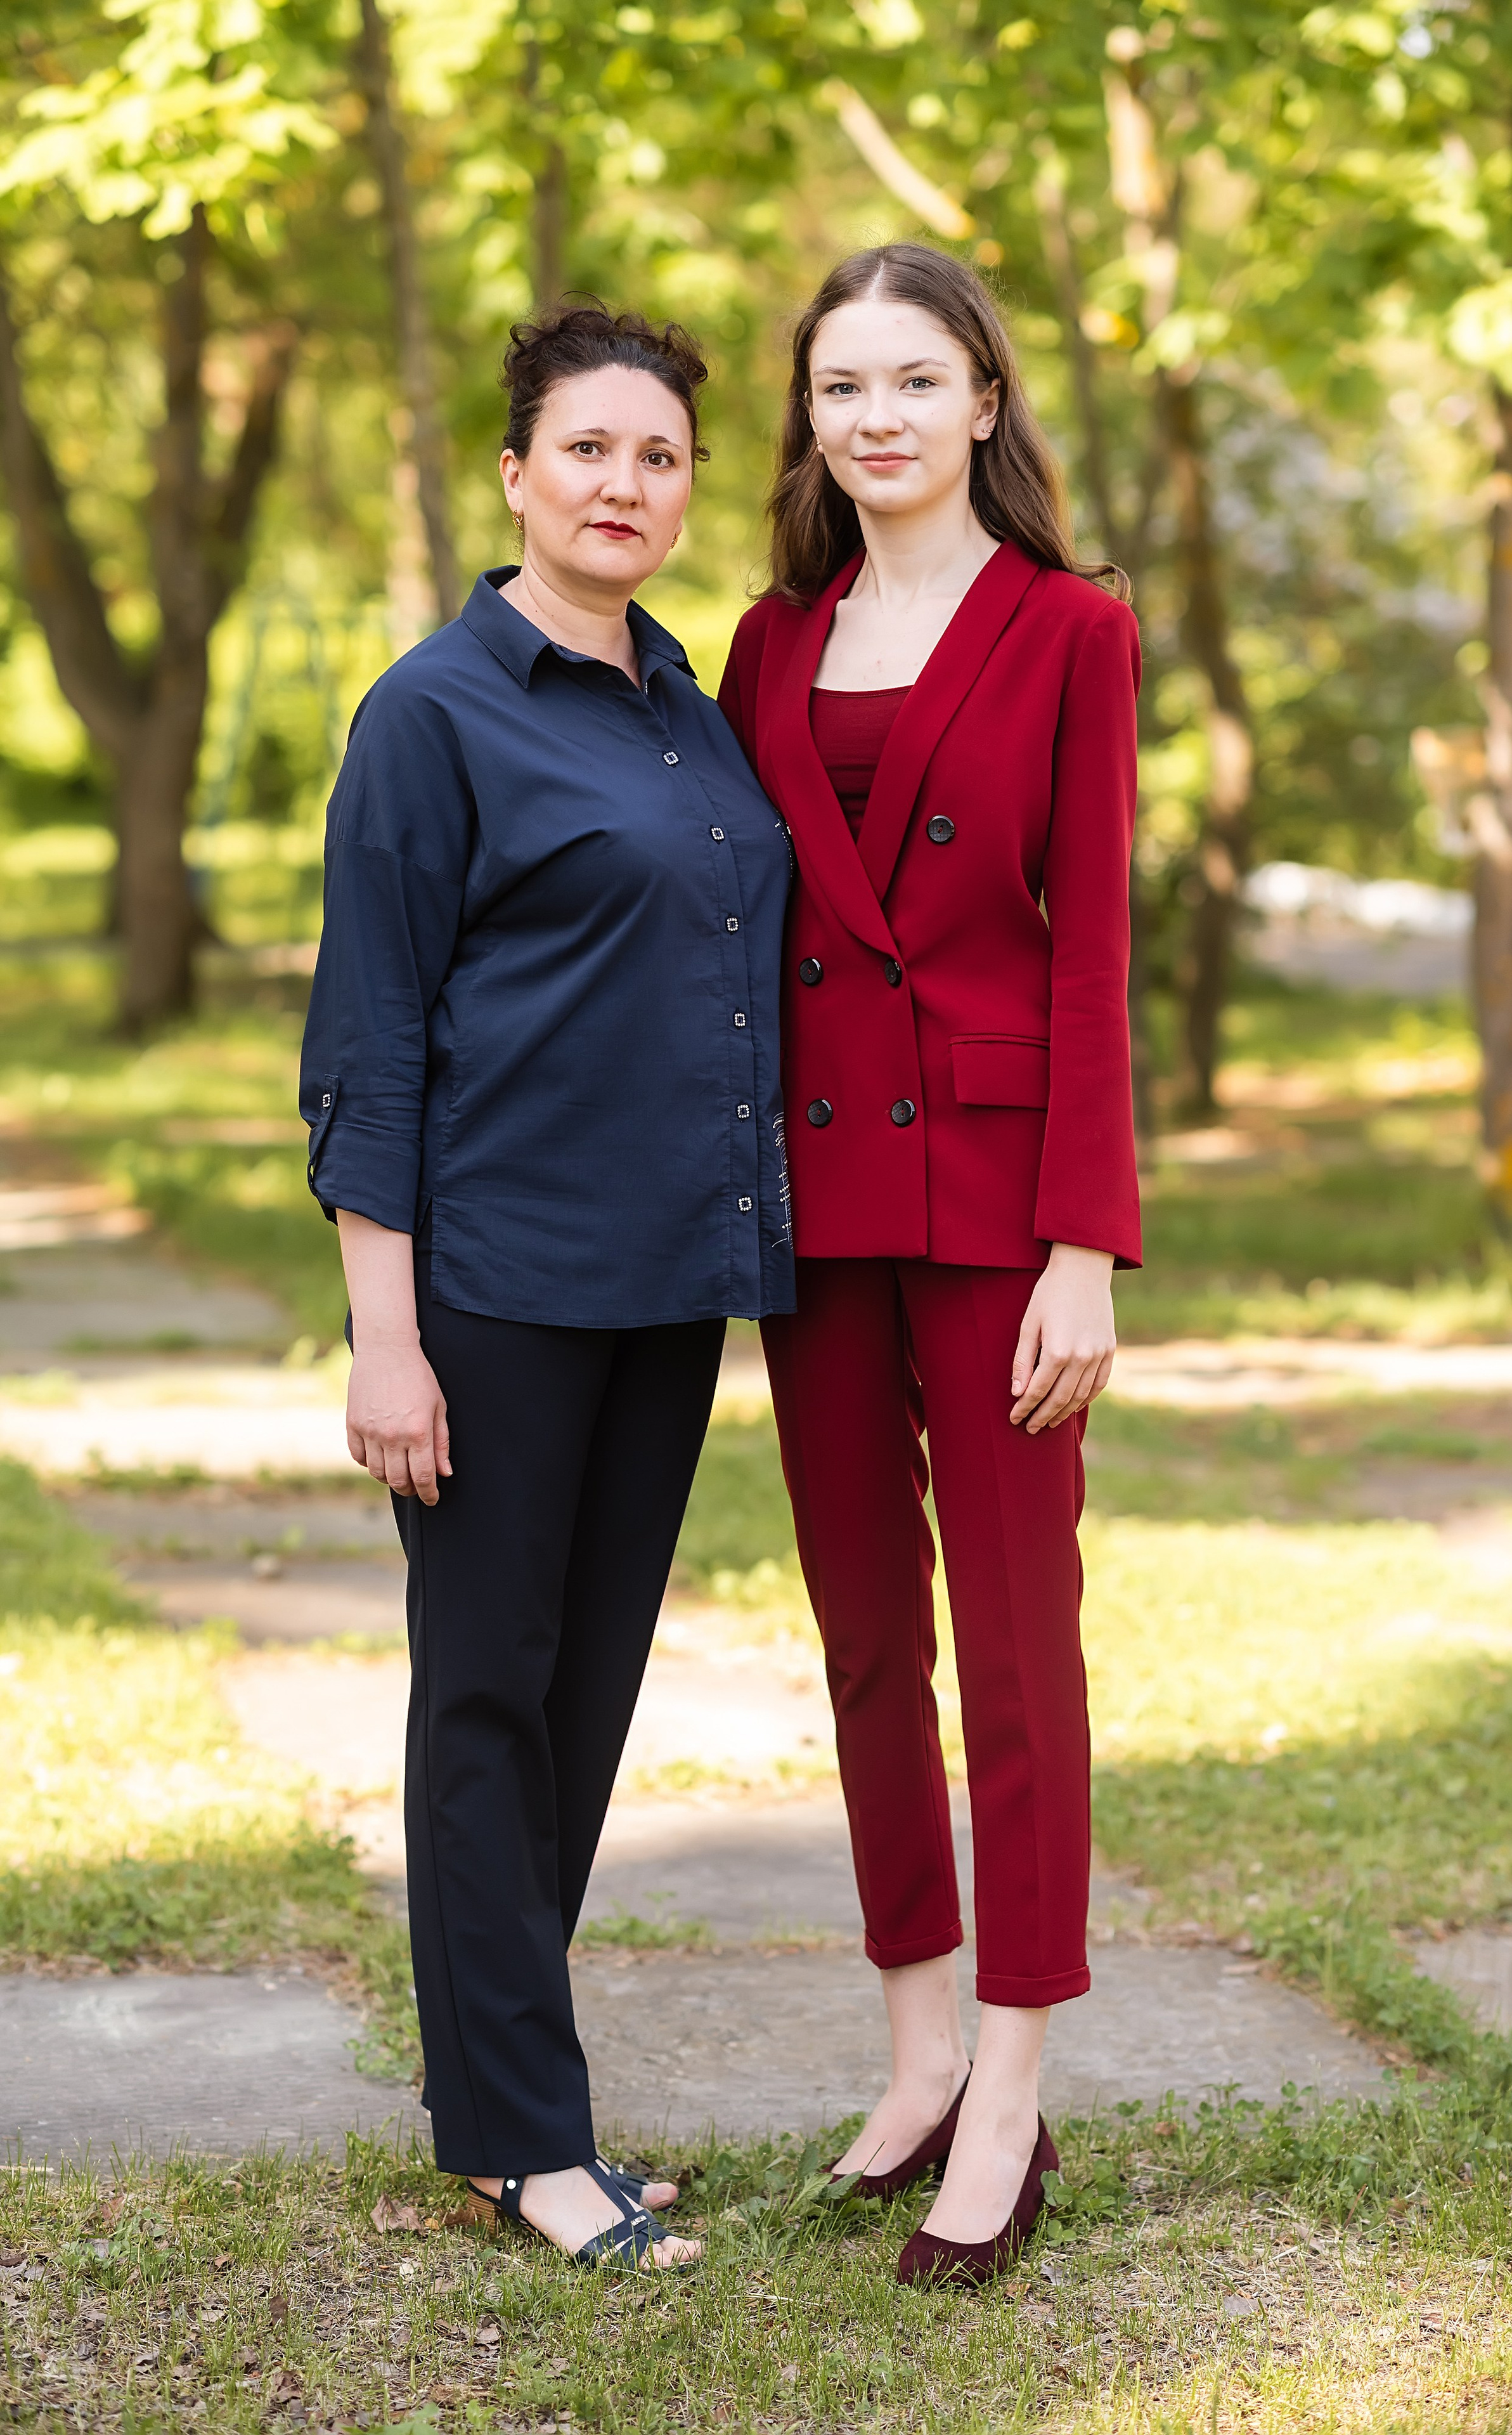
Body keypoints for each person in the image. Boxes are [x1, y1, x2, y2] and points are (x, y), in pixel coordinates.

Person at [299, 302, 793, 2270]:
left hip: (667, 1285)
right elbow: (371, 1037)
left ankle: (506, 2100)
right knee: (488, 1698)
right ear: (517, 473)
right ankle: (521, 2136)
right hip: (496, 1290)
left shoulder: (688, 705)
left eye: (662, 457)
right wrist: (386, 1338)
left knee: (580, 1701)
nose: (626, 485)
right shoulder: (433, 710)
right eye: (590, 449)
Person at [718, 244, 1140, 2287]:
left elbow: (1097, 953)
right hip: (813, 1212)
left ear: (984, 400)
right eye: (838, 389)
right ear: (812, 426)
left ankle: (1016, 2083)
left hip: (992, 1214)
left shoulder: (1070, 631)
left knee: (1021, 1653)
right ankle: (912, 2056)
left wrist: (1085, 1242)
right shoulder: (766, 642)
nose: (874, 417)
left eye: (913, 379)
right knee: (869, 1638)